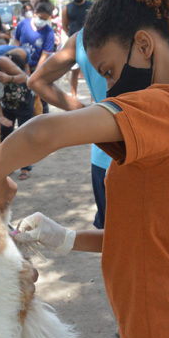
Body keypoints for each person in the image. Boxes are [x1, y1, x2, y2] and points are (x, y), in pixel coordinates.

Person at [0, 0, 169, 338]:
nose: (111, 90)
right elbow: (151, 237)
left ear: (144, 45)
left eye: (110, 71)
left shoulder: (167, 107)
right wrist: (65, 237)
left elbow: (42, 133)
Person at [27, 29, 110, 228]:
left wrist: (89, 112)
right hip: (147, 153)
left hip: (104, 156)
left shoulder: (82, 38)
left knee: (114, 241)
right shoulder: (154, 27)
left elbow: (36, 81)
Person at [14, 0, 56, 114]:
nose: (42, 21)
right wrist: (24, 64)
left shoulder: (49, 32)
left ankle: (45, 123)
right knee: (24, 98)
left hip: (39, 69)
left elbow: (45, 55)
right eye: (41, 17)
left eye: (45, 19)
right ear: (35, 13)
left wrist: (35, 75)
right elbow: (16, 42)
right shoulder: (23, 24)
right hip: (22, 66)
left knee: (41, 98)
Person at [61, 0, 93, 97]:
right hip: (74, 46)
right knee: (74, 72)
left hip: (90, 43)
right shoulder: (67, 8)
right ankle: (74, 96)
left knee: (92, 72)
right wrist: (73, 38)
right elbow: (65, 26)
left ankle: (93, 99)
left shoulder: (91, 6)